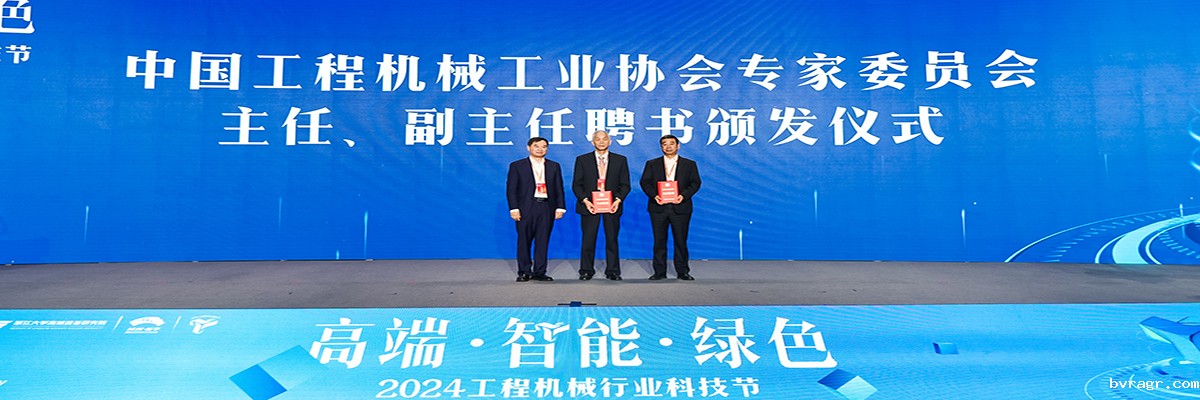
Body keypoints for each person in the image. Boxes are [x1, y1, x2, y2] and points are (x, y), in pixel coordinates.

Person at [640, 134, 701, 280]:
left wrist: (683, 196)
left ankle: (682, 271)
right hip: (658, 207)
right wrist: (655, 196)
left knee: (680, 241)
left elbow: (695, 183)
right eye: (664, 144)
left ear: (678, 146)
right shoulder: (652, 164)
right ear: (661, 147)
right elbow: (645, 182)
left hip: (681, 207)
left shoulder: (689, 164)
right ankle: (659, 272)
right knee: (659, 241)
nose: (668, 146)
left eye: (671, 143)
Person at [572, 130, 631, 281]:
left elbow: (625, 185)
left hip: (612, 206)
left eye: (604, 139)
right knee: (588, 239)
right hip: (590, 206)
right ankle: (586, 270)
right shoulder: (582, 160)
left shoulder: (620, 160)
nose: (601, 141)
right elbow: (577, 185)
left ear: (610, 141)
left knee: (612, 239)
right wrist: (586, 201)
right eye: (598, 139)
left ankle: (613, 271)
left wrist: (617, 200)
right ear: (593, 142)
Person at [506, 137, 566, 282]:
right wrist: (514, 208)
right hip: (526, 207)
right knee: (524, 240)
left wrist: (560, 207)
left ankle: (540, 272)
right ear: (529, 148)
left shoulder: (554, 166)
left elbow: (559, 188)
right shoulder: (517, 166)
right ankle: (524, 271)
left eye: (544, 146)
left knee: (543, 241)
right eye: (536, 146)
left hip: (546, 207)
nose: (540, 149)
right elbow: (511, 189)